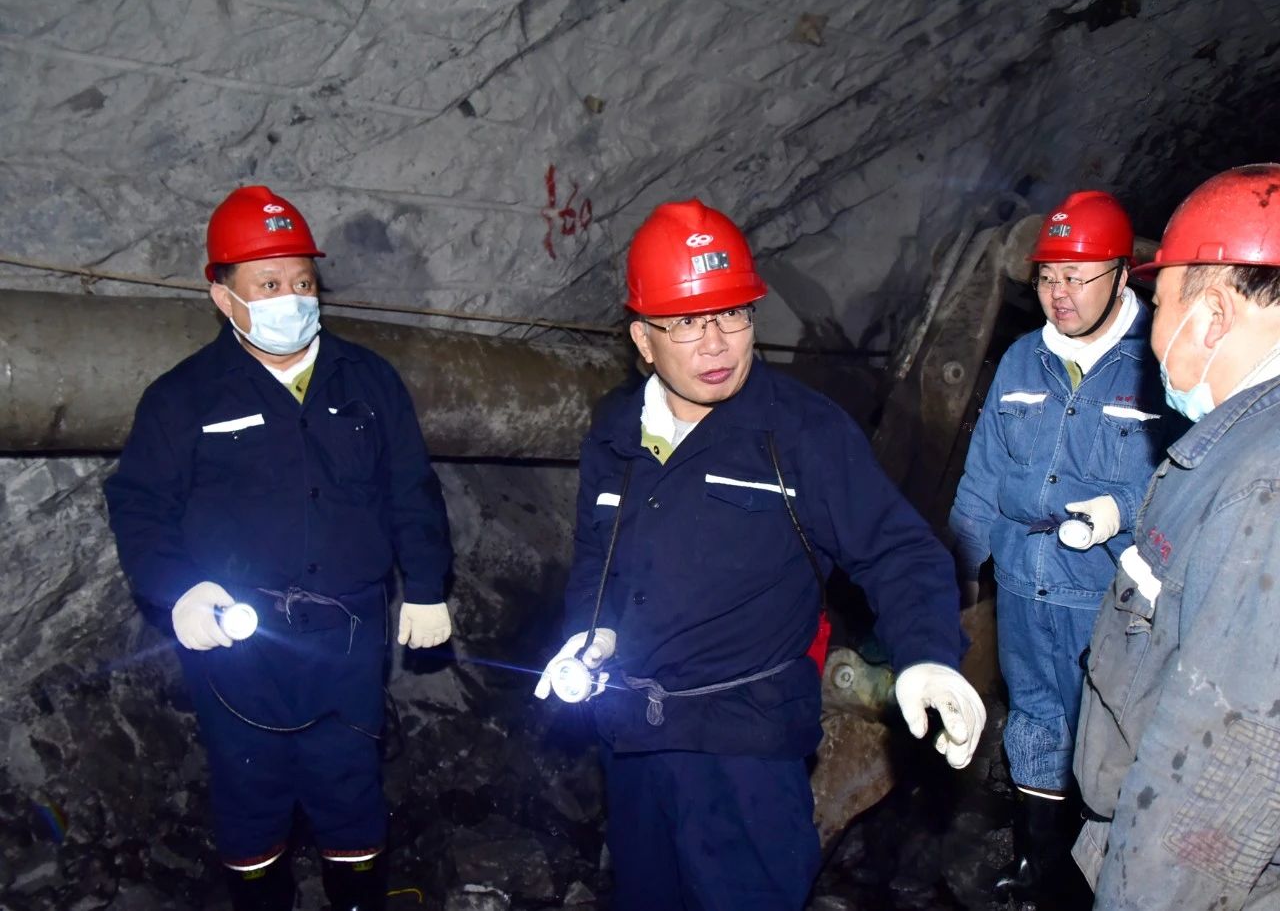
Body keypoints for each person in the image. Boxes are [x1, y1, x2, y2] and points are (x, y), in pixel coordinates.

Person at [533, 199, 986, 911]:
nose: (716, 344)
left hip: (746, 752)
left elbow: (898, 551)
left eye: (733, 315)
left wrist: (927, 655)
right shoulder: (615, 430)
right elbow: (597, 555)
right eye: (688, 322)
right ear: (643, 339)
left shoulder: (801, 434)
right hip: (633, 741)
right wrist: (590, 634)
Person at [104, 185, 453, 911]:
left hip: (348, 629)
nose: (291, 298)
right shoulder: (183, 397)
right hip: (239, 640)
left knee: (349, 782)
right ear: (223, 296)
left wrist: (426, 584)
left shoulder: (368, 380)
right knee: (249, 786)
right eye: (268, 284)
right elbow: (140, 505)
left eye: (302, 282)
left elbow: (410, 487)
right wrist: (178, 588)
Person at [947, 191, 1171, 902]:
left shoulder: (1161, 358)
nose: (1059, 293)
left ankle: (1102, 879)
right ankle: (1038, 869)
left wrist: (1121, 509)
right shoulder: (1021, 361)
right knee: (1036, 723)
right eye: (1047, 276)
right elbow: (983, 474)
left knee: (1112, 736)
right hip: (1023, 585)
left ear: (1121, 273)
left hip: (1109, 596)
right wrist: (962, 568)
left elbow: (1193, 476)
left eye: (1076, 276)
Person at [1072, 163, 1280, 909]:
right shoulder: (1237, 448)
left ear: (1213, 316)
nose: (1151, 334)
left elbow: (1223, 762)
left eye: (1158, 304)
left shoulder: (1263, 485)